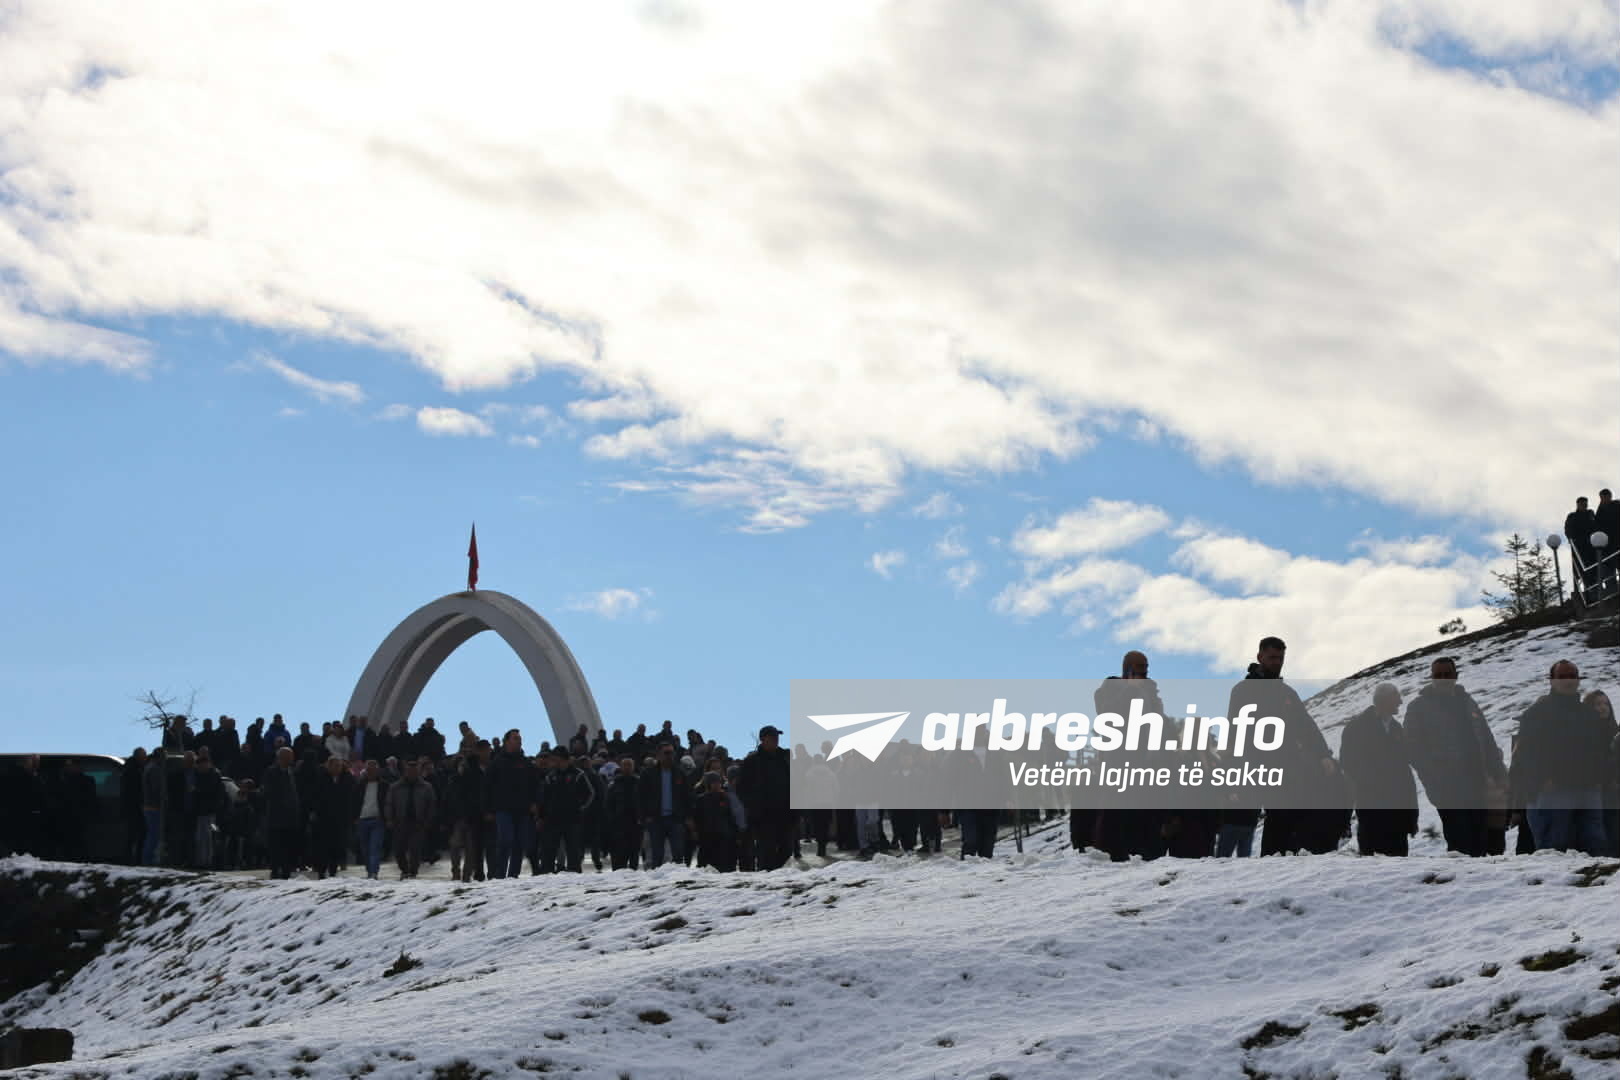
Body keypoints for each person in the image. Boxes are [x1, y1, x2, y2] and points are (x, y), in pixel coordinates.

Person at [1227, 637, 1343, 855]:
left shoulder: (1287, 693)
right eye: (1272, 657)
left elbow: (1307, 726)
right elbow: (1236, 732)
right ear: (1260, 657)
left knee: (1297, 815)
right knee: (1279, 816)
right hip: (1263, 765)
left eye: (1280, 658)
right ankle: (1272, 863)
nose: (1277, 662)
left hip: (1292, 765)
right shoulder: (1243, 691)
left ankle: (1291, 862)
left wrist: (1323, 755)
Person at [1404, 656, 1507, 857]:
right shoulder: (1419, 707)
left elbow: (1486, 740)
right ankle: (1462, 875)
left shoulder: (1468, 703)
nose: (1443, 679)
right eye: (1438, 675)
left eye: (1447, 674)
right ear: (1432, 677)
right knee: (1460, 842)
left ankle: (1479, 875)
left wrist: (1499, 775)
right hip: (1447, 788)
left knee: (1481, 839)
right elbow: (1412, 749)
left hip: (1477, 783)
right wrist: (1435, 779)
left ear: (1456, 676)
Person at [1512, 660, 1613, 854]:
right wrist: (1541, 780)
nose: (1568, 680)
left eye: (1572, 676)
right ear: (1552, 680)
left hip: (1588, 791)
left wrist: (1600, 778)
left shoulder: (1588, 714)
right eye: (1562, 676)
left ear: (1578, 680)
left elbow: (1601, 751)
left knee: (1595, 847)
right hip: (1553, 793)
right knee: (1555, 850)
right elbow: (1525, 754)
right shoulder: (1537, 714)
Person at [1338, 684, 1420, 856]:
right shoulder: (1357, 727)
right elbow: (1348, 763)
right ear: (1383, 700)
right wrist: (1372, 785)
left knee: (1399, 860)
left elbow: (1405, 773)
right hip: (1372, 808)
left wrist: (1411, 816)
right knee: (1373, 860)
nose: (1400, 702)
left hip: (1397, 811)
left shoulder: (1397, 729)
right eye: (1396, 698)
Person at [737, 725, 795, 870]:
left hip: (785, 813)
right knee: (766, 851)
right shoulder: (752, 761)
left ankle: (776, 873)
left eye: (777, 737)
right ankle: (767, 877)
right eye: (772, 737)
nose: (776, 740)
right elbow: (741, 788)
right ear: (763, 739)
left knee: (787, 849)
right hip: (763, 816)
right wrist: (753, 806)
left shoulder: (785, 758)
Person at [487, 729, 538, 878]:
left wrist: (534, 802)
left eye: (519, 738)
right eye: (515, 738)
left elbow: (534, 784)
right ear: (507, 741)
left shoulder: (526, 763)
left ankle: (513, 875)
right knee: (505, 841)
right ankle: (500, 875)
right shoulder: (497, 763)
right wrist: (488, 809)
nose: (519, 741)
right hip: (503, 809)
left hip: (522, 810)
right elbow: (487, 786)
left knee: (519, 843)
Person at [537, 749, 595, 873]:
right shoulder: (551, 776)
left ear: (565, 760)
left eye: (557, 760)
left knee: (573, 849)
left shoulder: (578, 775)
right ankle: (546, 873)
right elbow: (544, 798)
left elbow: (590, 794)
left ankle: (574, 873)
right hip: (553, 819)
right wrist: (541, 816)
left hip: (572, 819)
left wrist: (580, 808)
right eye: (554, 760)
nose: (555, 763)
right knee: (549, 849)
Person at [639, 742, 693, 868]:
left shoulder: (679, 773)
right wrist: (644, 817)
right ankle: (657, 879)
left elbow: (687, 796)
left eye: (672, 753)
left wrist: (687, 816)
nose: (670, 756)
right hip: (656, 819)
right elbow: (641, 796)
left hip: (675, 819)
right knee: (657, 855)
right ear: (658, 755)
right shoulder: (648, 774)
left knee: (678, 854)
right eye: (666, 753)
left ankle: (678, 878)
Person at [386, 758, 436, 878]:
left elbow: (431, 805)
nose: (412, 774)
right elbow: (389, 804)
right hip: (400, 821)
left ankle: (413, 871)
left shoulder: (426, 787)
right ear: (405, 772)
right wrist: (389, 819)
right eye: (409, 771)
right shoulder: (395, 787)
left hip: (418, 822)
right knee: (399, 849)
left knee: (415, 849)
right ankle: (404, 869)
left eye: (414, 771)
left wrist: (428, 820)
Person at [262, 746, 303, 880]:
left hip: (290, 816)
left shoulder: (292, 772)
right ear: (281, 758)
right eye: (289, 757)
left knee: (288, 844)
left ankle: (286, 870)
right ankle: (275, 869)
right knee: (276, 845)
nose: (291, 759)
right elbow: (269, 792)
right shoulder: (271, 772)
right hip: (276, 815)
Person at [311, 755, 355, 878]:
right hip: (323, 818)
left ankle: (333, 871)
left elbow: (351, 797)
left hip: (340, 818)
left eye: (339, 766)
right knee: (323, 846)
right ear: (328, 766)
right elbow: (315, 797)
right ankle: (321, 871)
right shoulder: (320, 778)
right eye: (335, 766)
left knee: (337, 846)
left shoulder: (347, 778)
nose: (338, 768)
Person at [352, 760, 390, 879]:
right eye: (369, 770)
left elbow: (388, 803)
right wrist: (354, 817)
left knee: (375, 847)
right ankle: (369, 870)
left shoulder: (384, 785)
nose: (371, 772)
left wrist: (387, 817)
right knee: (365, 849)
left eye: (373, 770)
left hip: (378, 819)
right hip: (362, 819)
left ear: (377, 771)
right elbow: (353, 802)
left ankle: (374, 872)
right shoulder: (359, 785)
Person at [191, 749, 227, 870]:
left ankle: (209, 861)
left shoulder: (214, 775)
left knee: (210, 837)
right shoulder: (200, 775)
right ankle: (202, 861)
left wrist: (197, 791)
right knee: (201, 837)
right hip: (202, 812)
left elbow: (215, 793)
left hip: (211, 813)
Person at [604, 758, 643, 870]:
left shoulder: (639, 783)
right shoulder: (614, 784)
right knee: (619, 855)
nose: (627, 767)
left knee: (634, 854)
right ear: (621, 767)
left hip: (635, 824)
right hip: (619, 824)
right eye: (625, 765)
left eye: (629, 765)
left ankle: (633, 875)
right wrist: (612, 819)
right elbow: (608, 804)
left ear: (633, 767)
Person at [1566, 496, 1599, 591]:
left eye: (1585, 504)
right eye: (1582, 504)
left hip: (1592, 546)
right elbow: (1568, 530)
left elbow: (1596, 526)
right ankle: (1588, 591)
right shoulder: (1572, 516)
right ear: (1578, 505)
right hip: (1580, 547)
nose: (1584, 506)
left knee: (1595, 569)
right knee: (1583, 569)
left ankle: (1596, 589)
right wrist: (1573, 539)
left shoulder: (1590, 513)